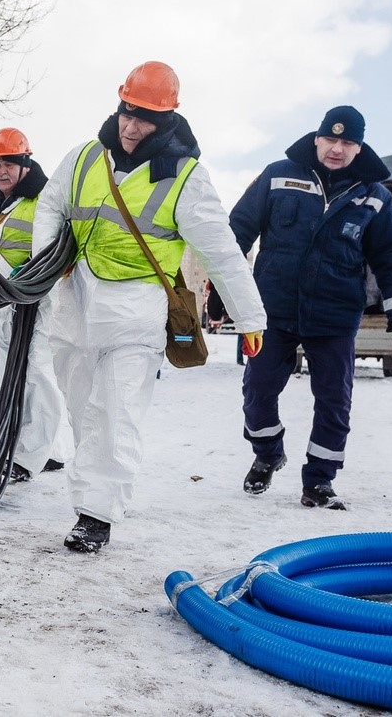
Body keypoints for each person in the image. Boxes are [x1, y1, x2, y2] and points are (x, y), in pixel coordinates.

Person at [32, 61, 266, 553]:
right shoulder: (82, 158)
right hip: (75, 302)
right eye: (128, 114)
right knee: (83, 410)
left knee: (117, 413)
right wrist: (47, 264)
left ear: (167, 121)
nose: (133, 127)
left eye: (146, 120)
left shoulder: (185, 177)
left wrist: (250, 317)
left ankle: (96, 514)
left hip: (136, 308)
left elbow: (220, 250)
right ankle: (91, 493)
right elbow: (51, 205)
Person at [229, 105, 392, 511]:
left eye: (347, 141)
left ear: (359, 146)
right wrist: (224, 289)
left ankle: (319, 480)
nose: (337, 148)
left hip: (334, 316)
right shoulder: (277, 174)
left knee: (334, 401)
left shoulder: (374, 195)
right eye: (331, 139)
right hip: (273, 309)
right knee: (257, 391)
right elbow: (238, 229)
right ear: (316, 138)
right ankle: (267, 453)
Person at [0, 127, 70, 481]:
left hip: (32, 298)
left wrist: (26, 280)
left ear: (25, 164)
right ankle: (52, 449)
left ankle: (30, 456)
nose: (1, 171)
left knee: (34, 370)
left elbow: (51, 247)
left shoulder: (44, 199)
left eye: (8, 164)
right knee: (7, 371)